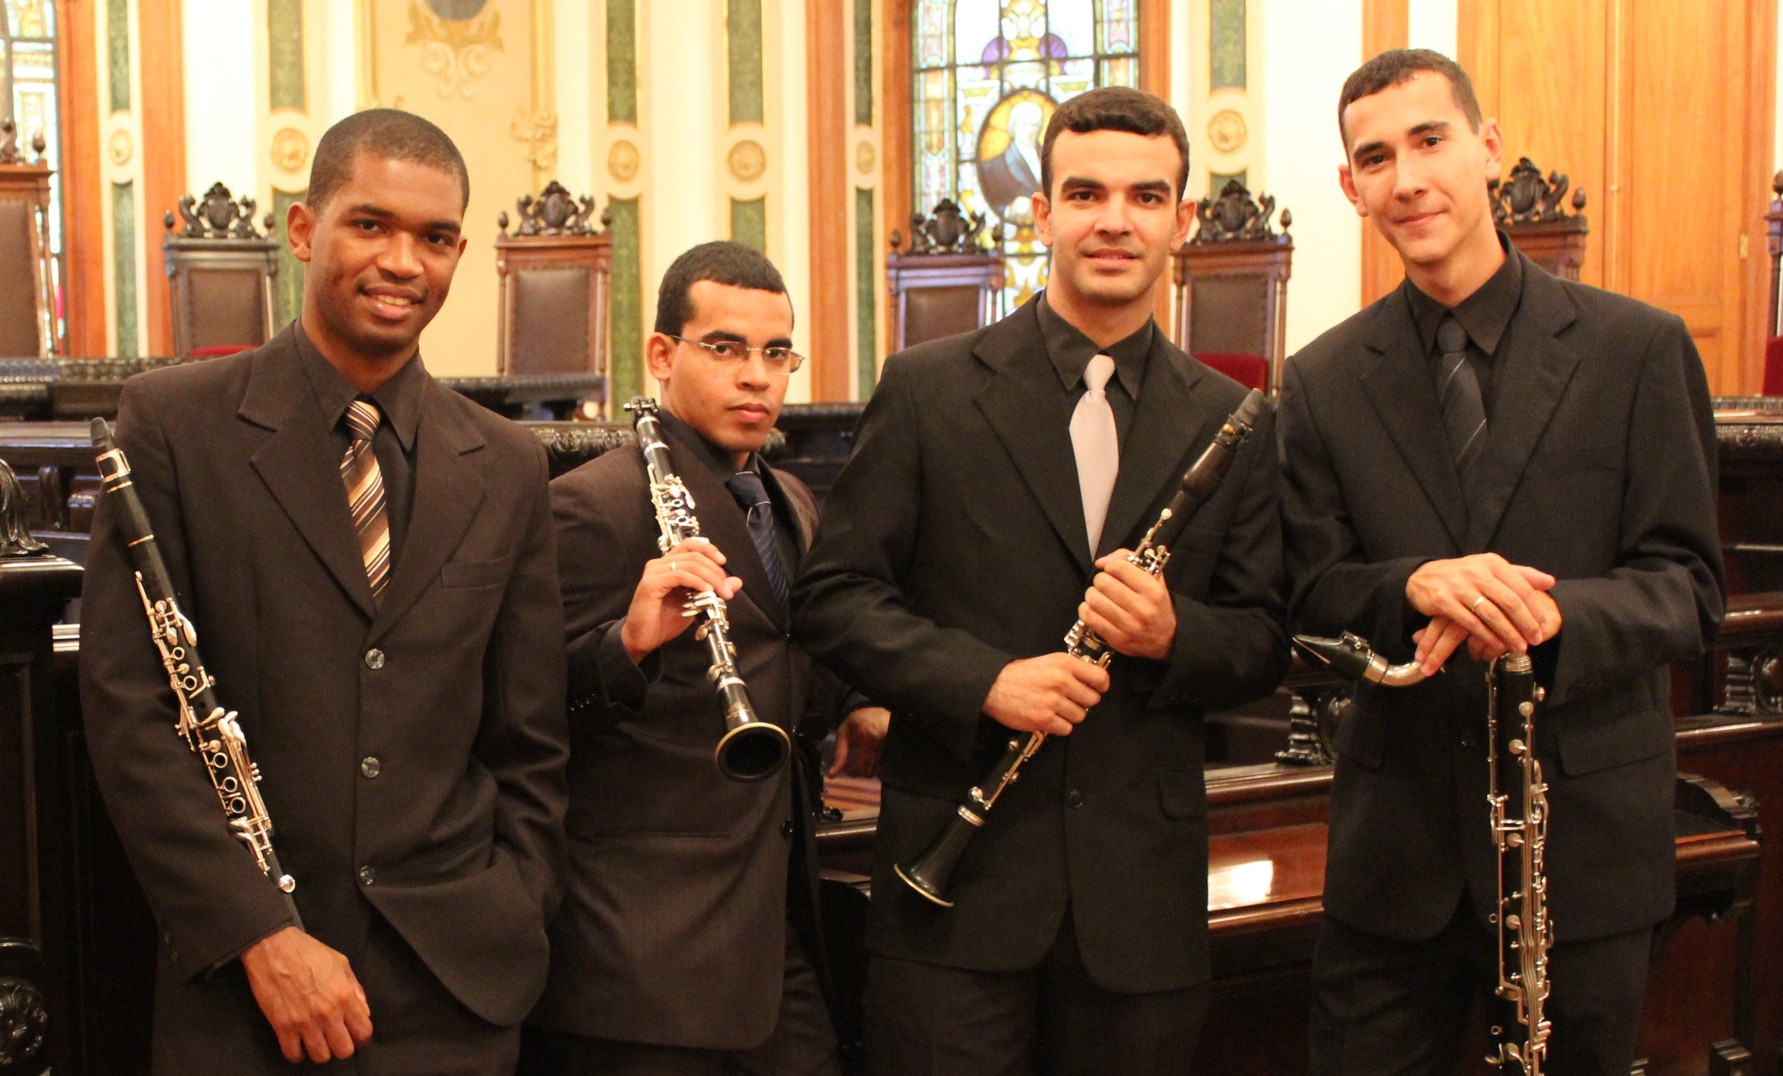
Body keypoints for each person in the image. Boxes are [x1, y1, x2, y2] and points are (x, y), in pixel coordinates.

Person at [793, 86, 1287, 1074]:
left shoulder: (1233, 416)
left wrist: (1170, 633)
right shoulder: (928, 388)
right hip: (953, 903)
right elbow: (833, 596)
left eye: (1146, 197)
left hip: (1137, 912)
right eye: (1086, 192)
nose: (1114, 219)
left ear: (1180, 221)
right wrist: (981, 679)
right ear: (1042, 212)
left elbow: (1265, 639)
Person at [79, 109, 569, 1074]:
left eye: (434, 238)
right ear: (305, 231)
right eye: (370, 224)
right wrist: (258, 933)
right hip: (250, 989)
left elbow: (529, 740)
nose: (402, 261)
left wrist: (518, 897)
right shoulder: (174, 426)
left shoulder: (509, 462)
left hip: (456, 992)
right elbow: (132, 712)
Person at [1278, 48, 1725, 1075]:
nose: (1408, 177)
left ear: (1484, 149)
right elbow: (1305, 593)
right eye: (1376, 157)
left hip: (1582, 848)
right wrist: (1409, 585)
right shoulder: (1323, 379)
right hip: (1396, 862)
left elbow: (1690, 588)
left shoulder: (1637, 349)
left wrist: (1554, 616)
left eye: (1430, 141)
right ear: (1352, 188)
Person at [524, 240, 884, 1076]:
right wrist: (626, 645)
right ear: (661, 354)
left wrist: (869, 693)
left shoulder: (790, 498)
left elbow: (795, 662)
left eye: (775, 352)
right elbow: (526, 712)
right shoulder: (590, 505)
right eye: (724, 348)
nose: (756, 376)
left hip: (774, 927)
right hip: (641, 959)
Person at [979, 98, 1046, 223]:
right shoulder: (994, 166)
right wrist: (1009, 211)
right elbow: (985, 204)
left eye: (1034, 125)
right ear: (1013, 127)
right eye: (1024, 125)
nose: (1029, 130)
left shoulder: (1049, 157)